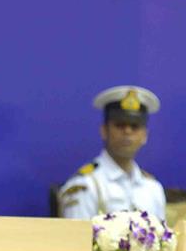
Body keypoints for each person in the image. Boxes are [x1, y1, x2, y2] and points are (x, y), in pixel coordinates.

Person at [58, 85, 166, 219]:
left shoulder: (153, 188)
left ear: (145, 135)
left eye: (135, 126)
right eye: (120, 125)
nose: (127, 132)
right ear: (104, 130)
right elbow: (75, 238)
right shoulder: (85, 185)